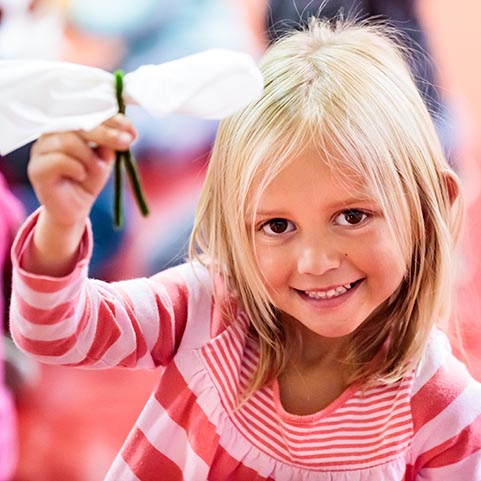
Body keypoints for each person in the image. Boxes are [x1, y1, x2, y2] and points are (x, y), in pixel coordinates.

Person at [8, 17, 481, 480]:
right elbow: (50, 332)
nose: (315, 262)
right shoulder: (207, 308)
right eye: (277, 225)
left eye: (352, 217)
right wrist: (62, 222)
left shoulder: (444, 406)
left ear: (429, 206)